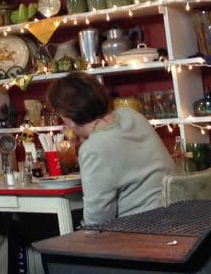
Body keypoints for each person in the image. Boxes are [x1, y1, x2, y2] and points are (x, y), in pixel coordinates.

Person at [47, 72, 175, 227]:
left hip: (141, 231)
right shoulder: (132, 116)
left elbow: (97, 220)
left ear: (67, 117)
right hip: (176, 218)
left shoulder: (93, 149)